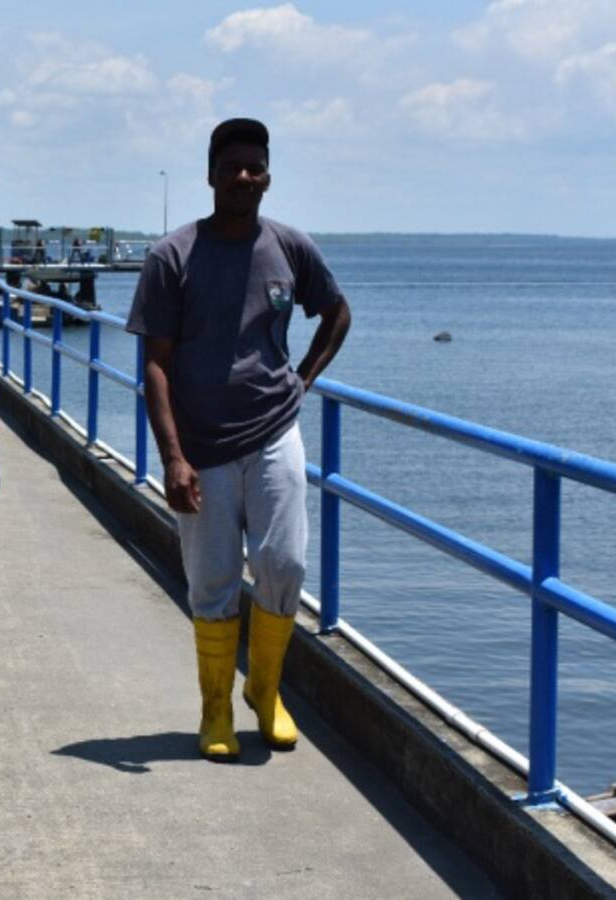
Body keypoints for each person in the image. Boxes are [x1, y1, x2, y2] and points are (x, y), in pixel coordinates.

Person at [126, 119, 351, 762]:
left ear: (268, 175)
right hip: (201, 444)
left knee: (284, 566)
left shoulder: (288, 246)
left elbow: (336, 312)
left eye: (257, 167)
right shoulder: (173, 255)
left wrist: (302, 381)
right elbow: (156, 364)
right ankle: (217, 705)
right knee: (213, 579)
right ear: (212, 175)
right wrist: (172, 457)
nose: (246, 177)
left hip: (275, 428)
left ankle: (267, 692)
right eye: (234, 167)